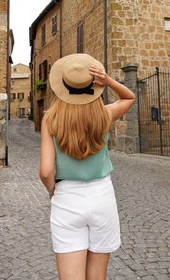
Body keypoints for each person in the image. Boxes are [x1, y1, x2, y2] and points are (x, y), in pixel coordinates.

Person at [39, 53, 135, 280]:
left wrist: (53, 191)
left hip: (67, 197)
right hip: (102, 195)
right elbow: (129, 98)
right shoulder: (104, 114)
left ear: (62, 85)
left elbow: (45, 171)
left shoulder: (49, 119)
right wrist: (108, 81)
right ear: (93, 86)